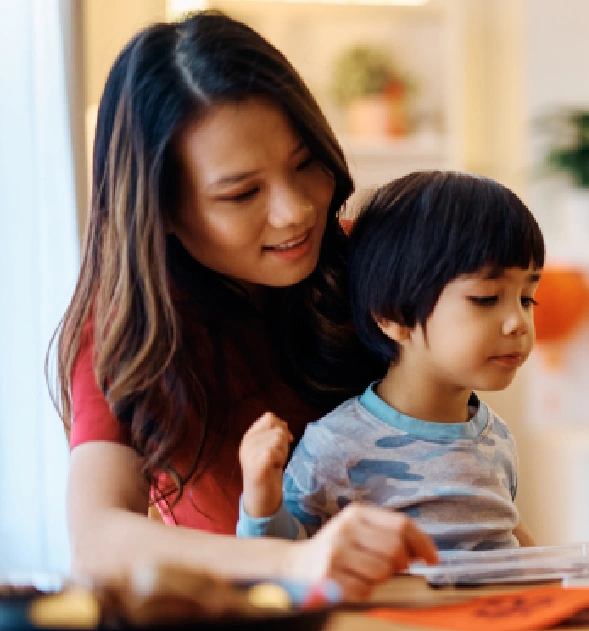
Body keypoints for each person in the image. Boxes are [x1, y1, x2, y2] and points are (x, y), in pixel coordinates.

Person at [55, 11, 436, 600]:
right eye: (242, 193)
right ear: (162, 212)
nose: (296, 211)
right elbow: (97, 540)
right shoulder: (129, 327)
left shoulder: (369, 260)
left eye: (306, 162)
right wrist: (296, 561)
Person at [235, 171, 541, 551]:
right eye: (485, 298)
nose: (518, 323)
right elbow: (283, 564)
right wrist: (261, 498)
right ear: (393, 315)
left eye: (527, 298)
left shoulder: (497, 439)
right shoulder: (336, 447)